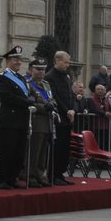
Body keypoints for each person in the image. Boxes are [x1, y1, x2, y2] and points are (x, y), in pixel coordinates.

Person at [0, 45, 32, 189]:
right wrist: (27, 102)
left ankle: (12, 178)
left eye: (19, 60)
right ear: (8, 60)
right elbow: (7, 97)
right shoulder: (3, 78)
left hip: (21, 120)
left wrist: (31, 100)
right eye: (15, 59)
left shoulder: (21, 78)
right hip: (9, 120)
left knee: (18, 152)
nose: (18, 62)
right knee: (7, 152)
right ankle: (2, 179)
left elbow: (27, 94)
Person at [47, 51, 77, 185]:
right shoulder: (50, 77)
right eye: (65, 62)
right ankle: (53, 174)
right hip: (58, 118)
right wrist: (67, 111)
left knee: (65, 148)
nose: (68, 65)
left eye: (68, 62)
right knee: (57, 148)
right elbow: (55, 97)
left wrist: (73, 110)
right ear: (57, 61)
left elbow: (70, 95)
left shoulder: (66, 76)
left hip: (67, 118)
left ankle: (60, 173)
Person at [26, 57, 55, 186]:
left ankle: (39, 174)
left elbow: (52, 99)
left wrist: (53, 105)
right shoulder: (28, 84)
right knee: (34, 151)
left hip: (47, 122)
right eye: (38, 69)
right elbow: (30, 102)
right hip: (36, 121)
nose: (41, 72)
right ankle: (31, 175)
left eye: (43, 70)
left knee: (43, 151)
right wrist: (44, 107)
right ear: (31, 69)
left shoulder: (46, 84)